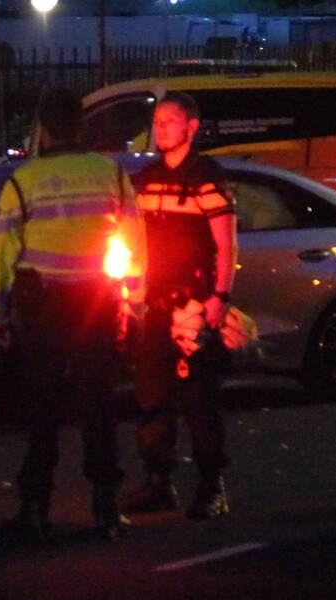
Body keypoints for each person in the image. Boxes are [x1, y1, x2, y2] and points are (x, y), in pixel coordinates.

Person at [0, 88, 147, 542]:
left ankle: (35, 508)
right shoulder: (111, 176)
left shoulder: (24, 181)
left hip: (43, 308)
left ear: (44, 130)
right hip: (96, 304)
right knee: (98, 404)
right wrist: (133, 303)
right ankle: (106, 509)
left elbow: (1, 252)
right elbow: (134, 247)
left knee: (43, 408)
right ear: (81, 127)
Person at [120, 92, 238, 520]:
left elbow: (226, 243)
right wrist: (130, 291)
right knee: (152, 396)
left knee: (199, 400)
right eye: (157, 119)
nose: (160, 126)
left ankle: (212, 487)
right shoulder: (146, 178)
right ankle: (158, 483)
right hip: (153, 306)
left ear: (191, 126)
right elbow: (132, 241)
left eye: (170, 119)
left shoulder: (207, 177)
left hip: (194, 307)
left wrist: (219, 298)